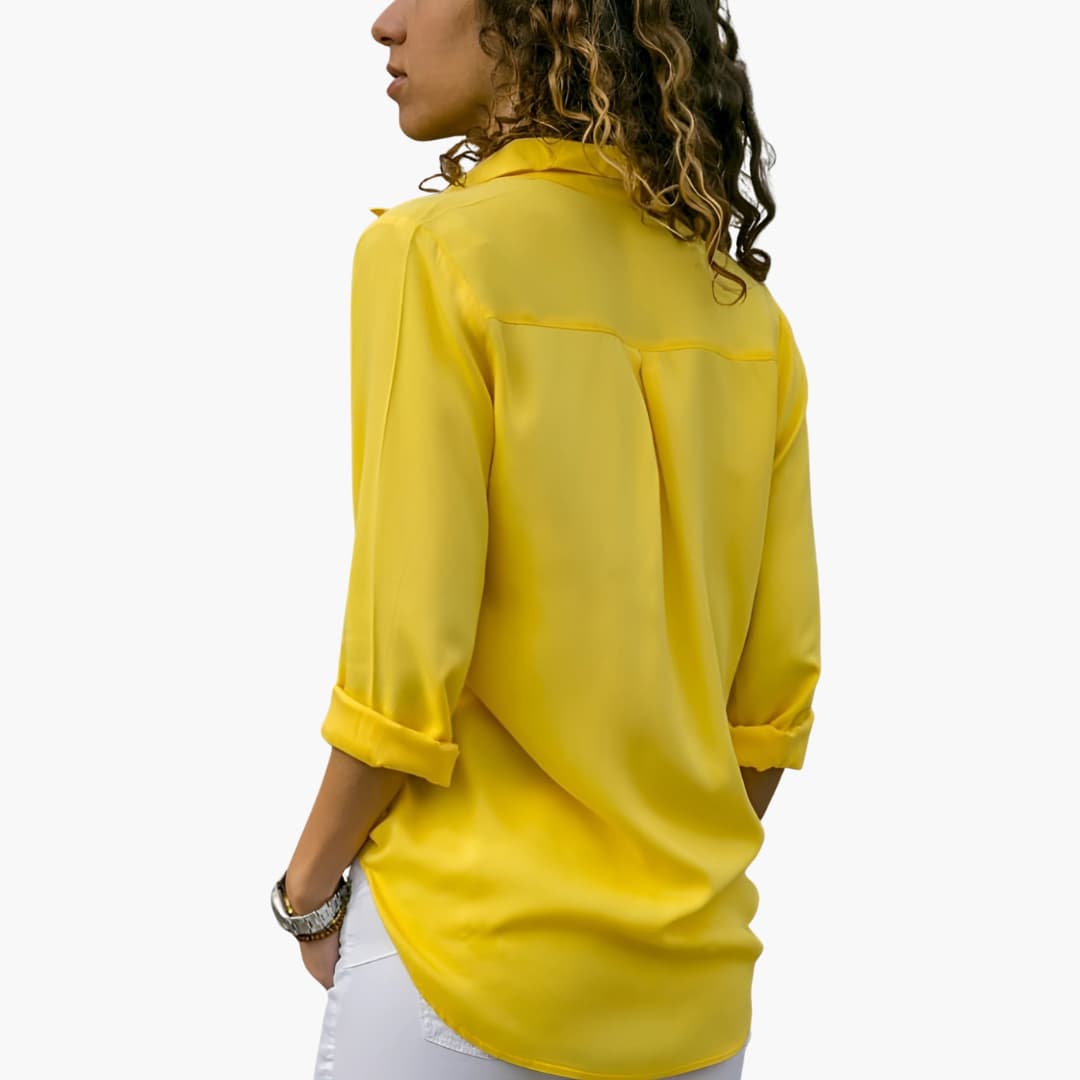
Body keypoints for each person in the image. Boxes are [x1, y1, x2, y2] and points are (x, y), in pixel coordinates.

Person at [271, 1, 822, 1077]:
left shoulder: (432, 254)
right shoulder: (748, 318)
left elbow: (403, 654)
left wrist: (307, 888)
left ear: (536, 12)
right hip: (690, 1002)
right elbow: (770, 705)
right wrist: (664, 871)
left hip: (468, 965)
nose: (385, 23)